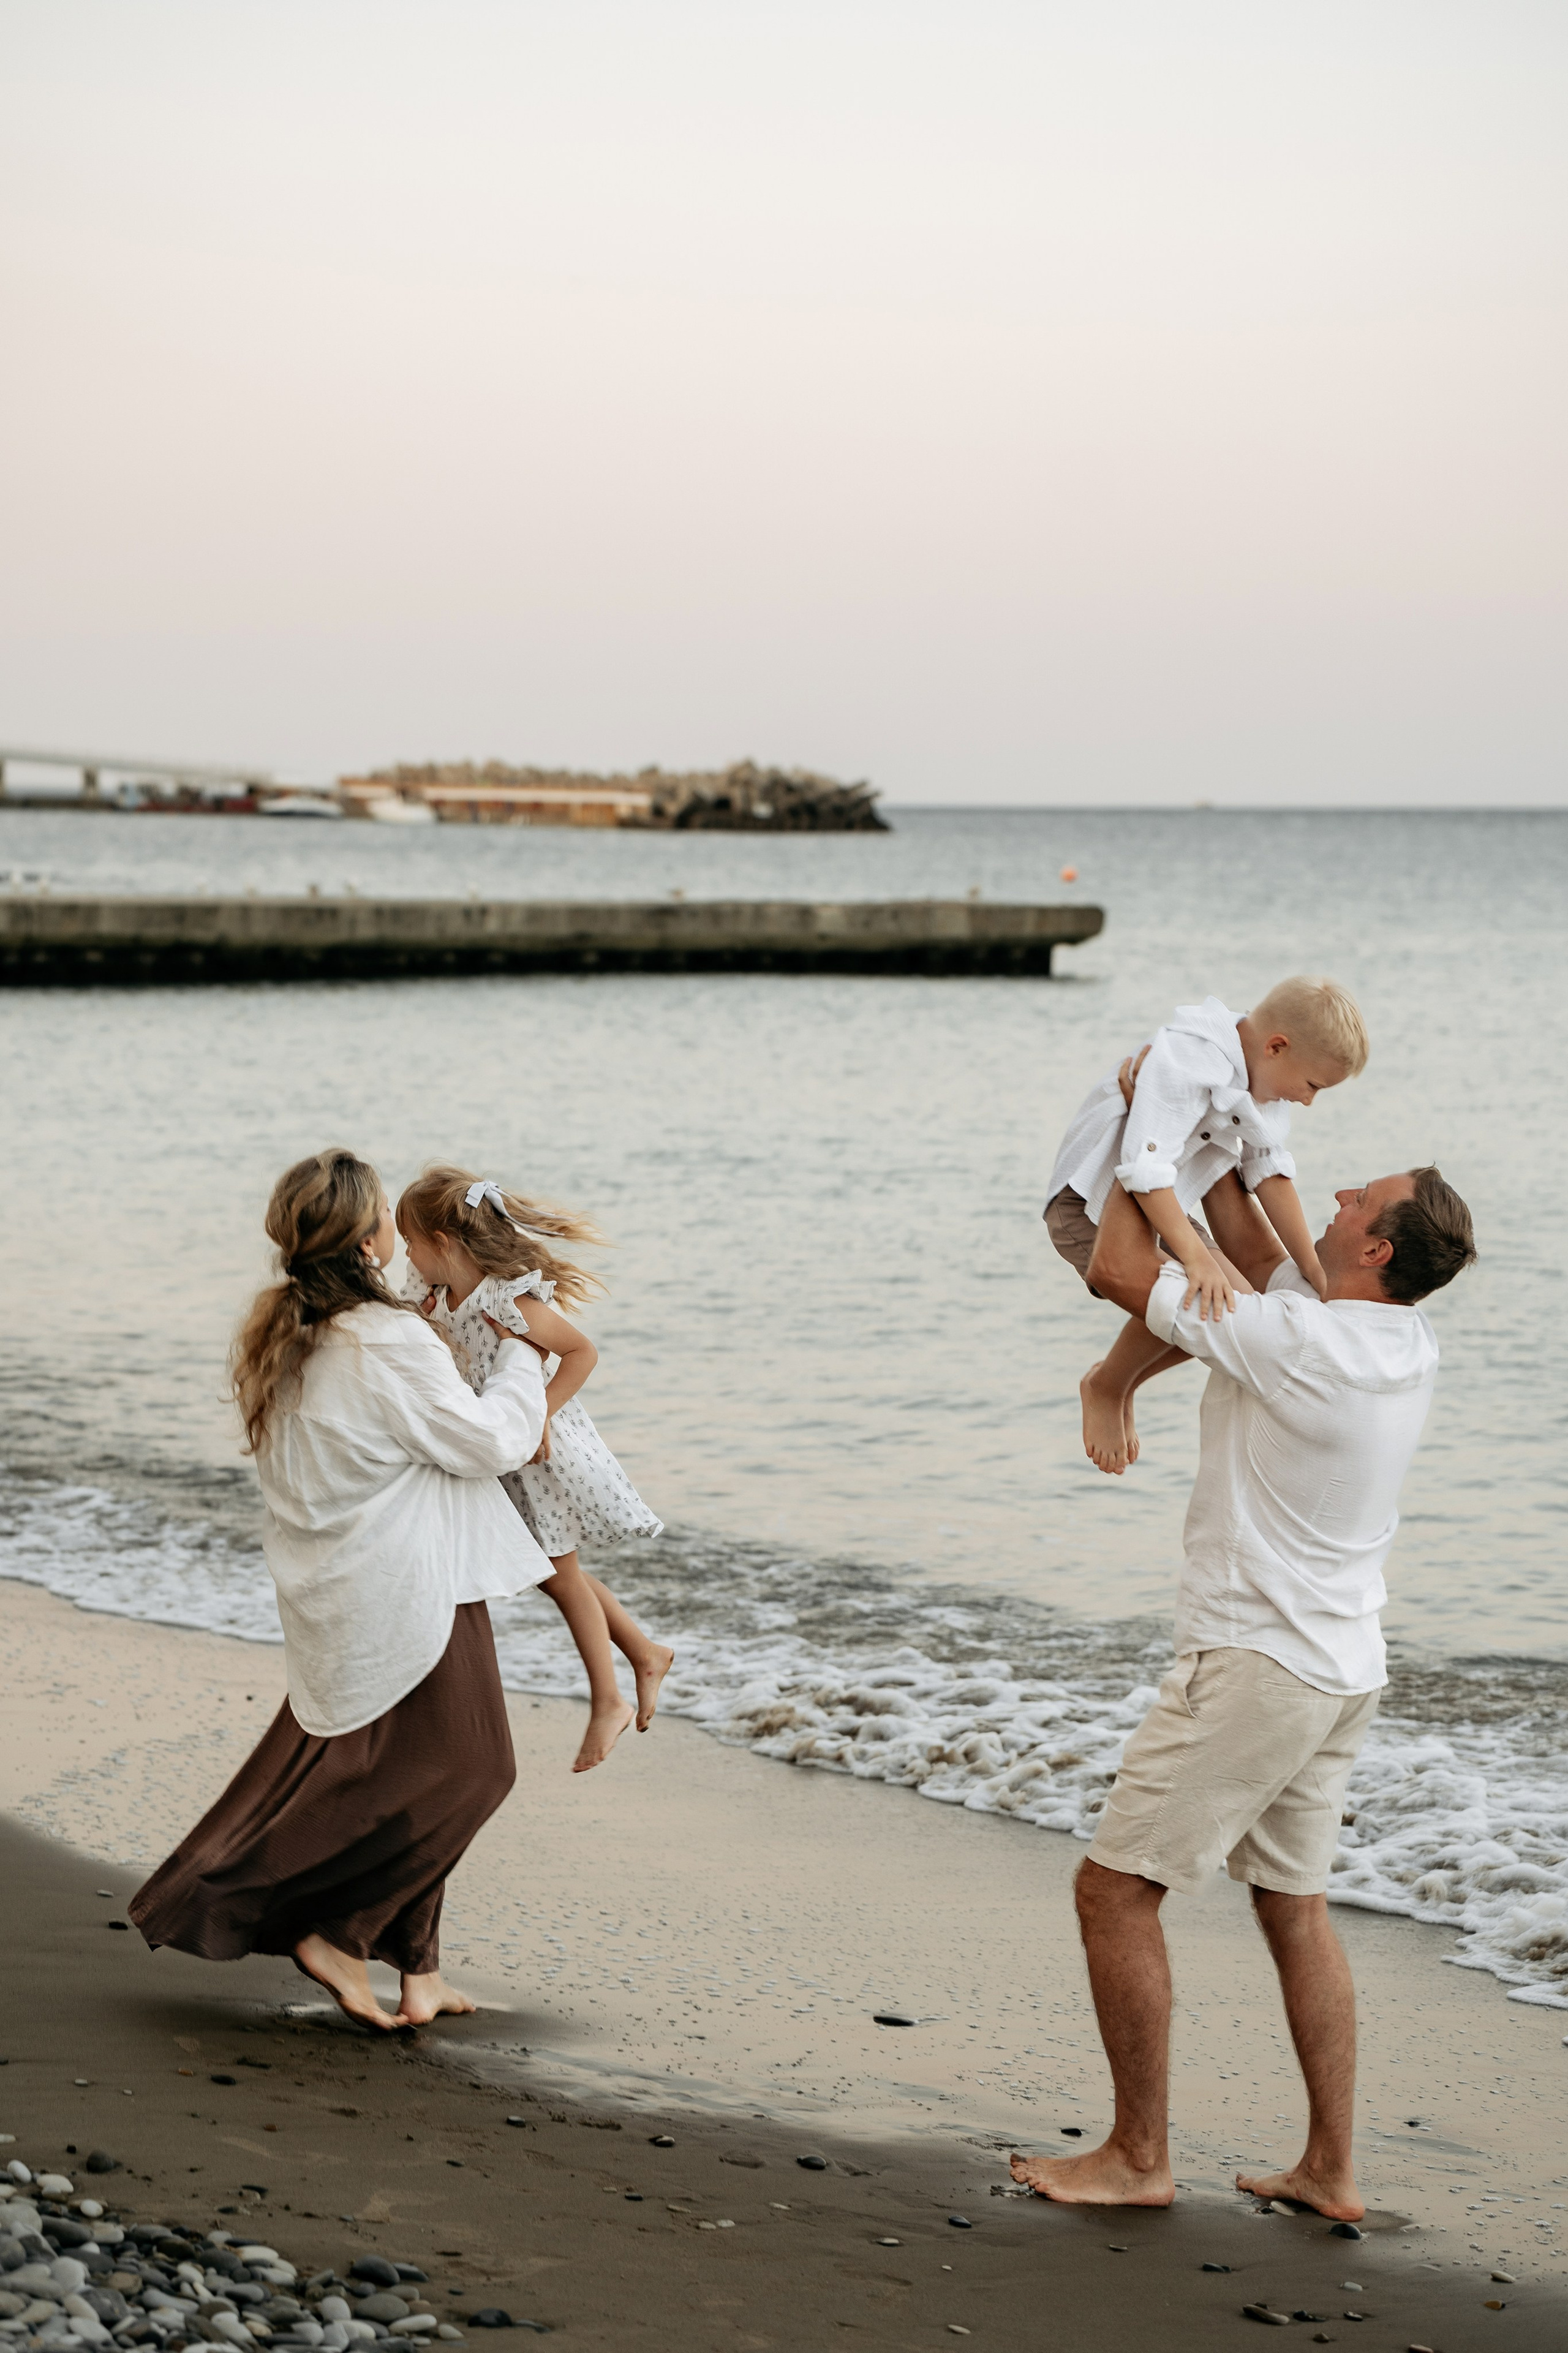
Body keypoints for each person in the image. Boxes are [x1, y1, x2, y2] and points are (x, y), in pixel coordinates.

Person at [1012, 1154, 1476, 2218]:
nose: (1342, 1190)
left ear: (1375, 1251)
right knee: (1295, 1909)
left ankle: (1138, 2157)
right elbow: (1254, 1248)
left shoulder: (1296, 1340)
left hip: (1259, 1665)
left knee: (1116, 1892)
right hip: (1345, 1666)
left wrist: (1141, 1152)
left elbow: (1125, 1270)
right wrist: (1227, 1134)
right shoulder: (1404, 1338)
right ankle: (1330, 2169)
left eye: (1360, 1199)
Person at [129, 1147, 557, 2033]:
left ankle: (421, 1973)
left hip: (338, 1582)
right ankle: (335, 1932)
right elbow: (484, 1444)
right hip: (407, 1582)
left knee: (423, 1771)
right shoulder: (381, 1337)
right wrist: (522, 1359)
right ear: (370, 1238)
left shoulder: (292, 1330)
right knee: (473, 1767)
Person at [396, 1166, 673, 1776]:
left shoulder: (506, 1298)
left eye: (411, 1241)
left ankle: (609, 1700)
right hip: (501, 1444)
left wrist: (540, 1415)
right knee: (549, 1573)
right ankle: (644, 1651)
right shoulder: (437, 1293)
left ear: (443, 1241)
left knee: (559, 1574)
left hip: (540, 1450)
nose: (406, 1254)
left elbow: (581, 1352)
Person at [1044, 976, 1368, 1474]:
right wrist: (1197, 1259)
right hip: (1089, 1197)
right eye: (1313, 1086)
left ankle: (1121, 1381)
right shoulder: (1193, 1059)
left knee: (1238, 1315)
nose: (1308, 1102)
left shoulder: (1263, 1077)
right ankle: (1107, 1384)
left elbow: (1269, 1170)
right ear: (1276, 1047)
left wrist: (1315, 1273)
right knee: (1209, 1299)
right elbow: (1143, 1166)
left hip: (1161, 1199)